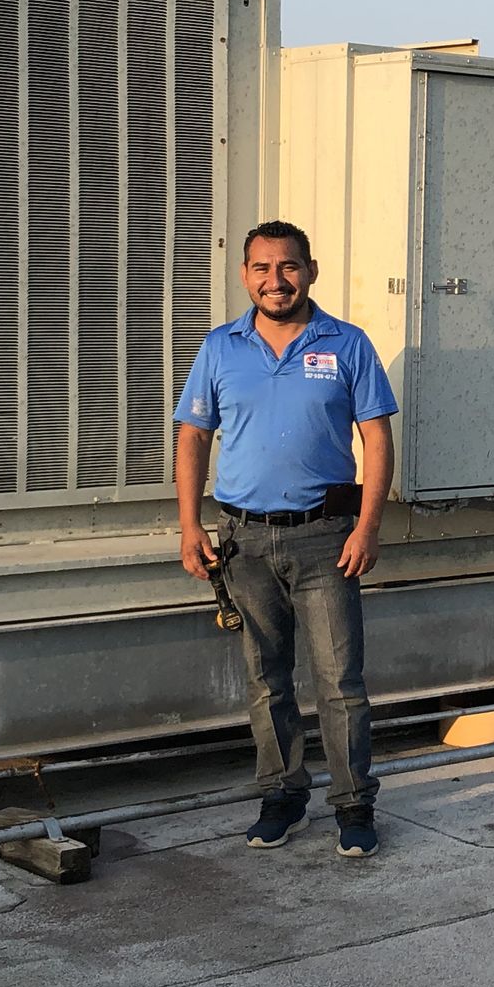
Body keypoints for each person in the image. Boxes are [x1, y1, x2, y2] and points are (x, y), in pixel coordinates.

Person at [174, 220, 397, 858]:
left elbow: (376, 439)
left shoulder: (347, 344)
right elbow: (193, 437)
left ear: (311, 271)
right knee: (266, 680)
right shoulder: (221, 349)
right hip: (243, 542)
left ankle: (354, 806)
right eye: (263, 268)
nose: (277, 280)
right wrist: (190, 525)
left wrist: (368, 525)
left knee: (339, 682)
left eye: (289, 266)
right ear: (246, 276)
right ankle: (283, 798)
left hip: (326, 540)